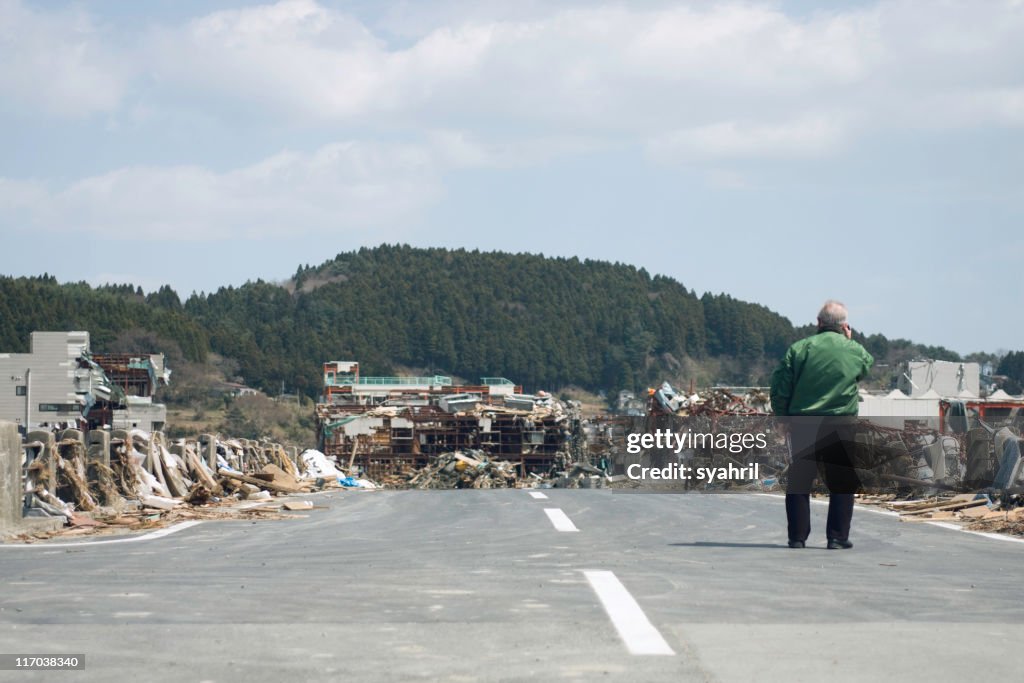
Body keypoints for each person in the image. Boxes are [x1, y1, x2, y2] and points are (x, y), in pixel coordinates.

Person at [770, 300, 873, 549]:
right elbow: (864, 368)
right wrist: (848, 342)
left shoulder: (799, 349)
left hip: (804, 421)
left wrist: (783, 418)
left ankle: (797, 537)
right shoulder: (854, 350)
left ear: (818, 323)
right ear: (844, 325)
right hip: (840, 421)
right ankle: (837, 538)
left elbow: (780, 386)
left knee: (800, 479)